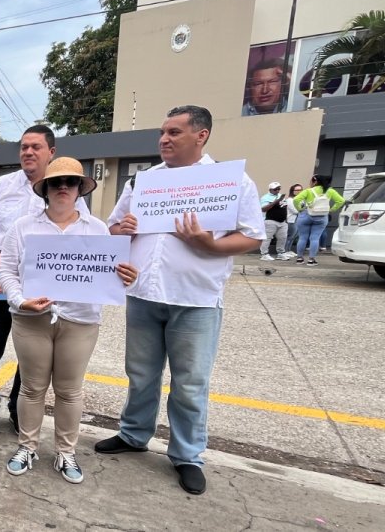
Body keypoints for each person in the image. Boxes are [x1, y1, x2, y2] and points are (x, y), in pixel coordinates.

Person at [97, 105, 265, 496]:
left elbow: (253, 236)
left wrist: (211, 244)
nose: (164, 139)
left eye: (174, 132)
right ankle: (134, 434)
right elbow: (112, 227)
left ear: (201, 135)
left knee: (189, 384)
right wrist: (122, 229)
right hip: (143, 293)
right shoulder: (144, 182)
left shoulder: (231, 181)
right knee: (140, 374)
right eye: (163, 132)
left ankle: (187, 455)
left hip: (196, 298)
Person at [0, 157, 138, 484]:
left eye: (70, 182)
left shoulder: (98, 229)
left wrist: (126, 276)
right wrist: (20, 300)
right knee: (32, 388)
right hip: (31, 319)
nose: (63, 187)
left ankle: (65, 451)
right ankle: (27, 446)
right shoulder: (23, 227)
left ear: (79, 189)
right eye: (55, 182)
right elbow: (6, 270)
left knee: (70, 390)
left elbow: (110, 274)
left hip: (81, 321)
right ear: (45, 189)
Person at [0, 125, 85, 441]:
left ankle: (18, 412)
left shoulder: (64, 190)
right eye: (24, 147)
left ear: (51, 151)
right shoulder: (2, 187)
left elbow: (82, 236)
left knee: (30, 360)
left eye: (35, 147)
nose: (27, 152)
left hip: (41, 289)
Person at [291, 174, 345, 266]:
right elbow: (341, 201)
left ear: (315, 181)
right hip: (321, 216)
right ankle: (311, 260)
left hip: (306, 215)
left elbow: (296, 199)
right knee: (315, 238)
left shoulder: (308, 191)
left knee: (303, 237)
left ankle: (299, 258)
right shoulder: (330, 191)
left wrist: (299, 209)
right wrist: (332, 209)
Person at [258, 181, 290, 261]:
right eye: (275, 189)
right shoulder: (265, 197)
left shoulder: (281, 196)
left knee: (283, 238)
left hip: (282, 221)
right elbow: (263, 209)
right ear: (270, 190)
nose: (277, 191)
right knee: (268, 238)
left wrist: (286, 219)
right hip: (270, 220)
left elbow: (284, 207)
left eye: (279, 189)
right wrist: (275, 202)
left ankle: (281, 253)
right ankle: (264, 254)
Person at [285, 183, 303, 255]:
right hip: (291, 220)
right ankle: (285, 251)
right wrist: (302, 209)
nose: (299, 191)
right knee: (290, 236)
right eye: (297, 190)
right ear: (292, 191)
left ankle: (288, 250)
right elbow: (295, 211)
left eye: (300, 190)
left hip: (299, 220)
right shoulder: (290, 200)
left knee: (294, 236)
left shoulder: (301, 199)